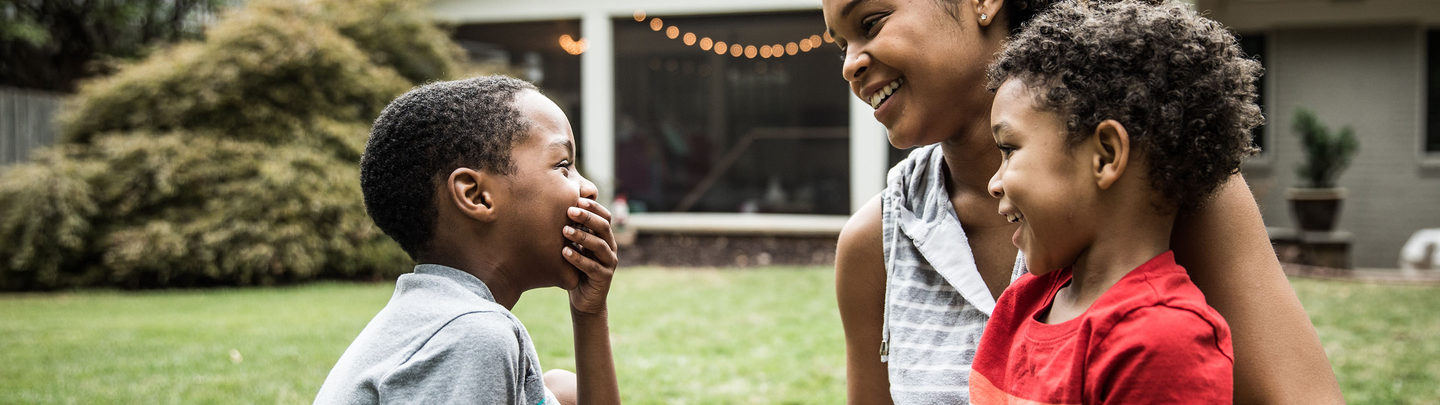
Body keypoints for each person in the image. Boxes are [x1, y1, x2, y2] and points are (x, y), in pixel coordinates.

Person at [820, 0, 1344, 403]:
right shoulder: (877, 244)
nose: (849, 65)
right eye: (838, 43)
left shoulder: (1160, 183)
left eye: (871, 22)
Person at [970, 1, 1252, 403]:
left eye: (1009, 148)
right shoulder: (1022, 303)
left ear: (1105, 155)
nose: (994, 183)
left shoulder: (1164, 341)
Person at [313, 76, 622, 405]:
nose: (589, 188)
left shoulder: (440, 314)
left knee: (563, 390)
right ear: (477, 196)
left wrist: (590, 314)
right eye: (563, 165)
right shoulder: (472, 334)